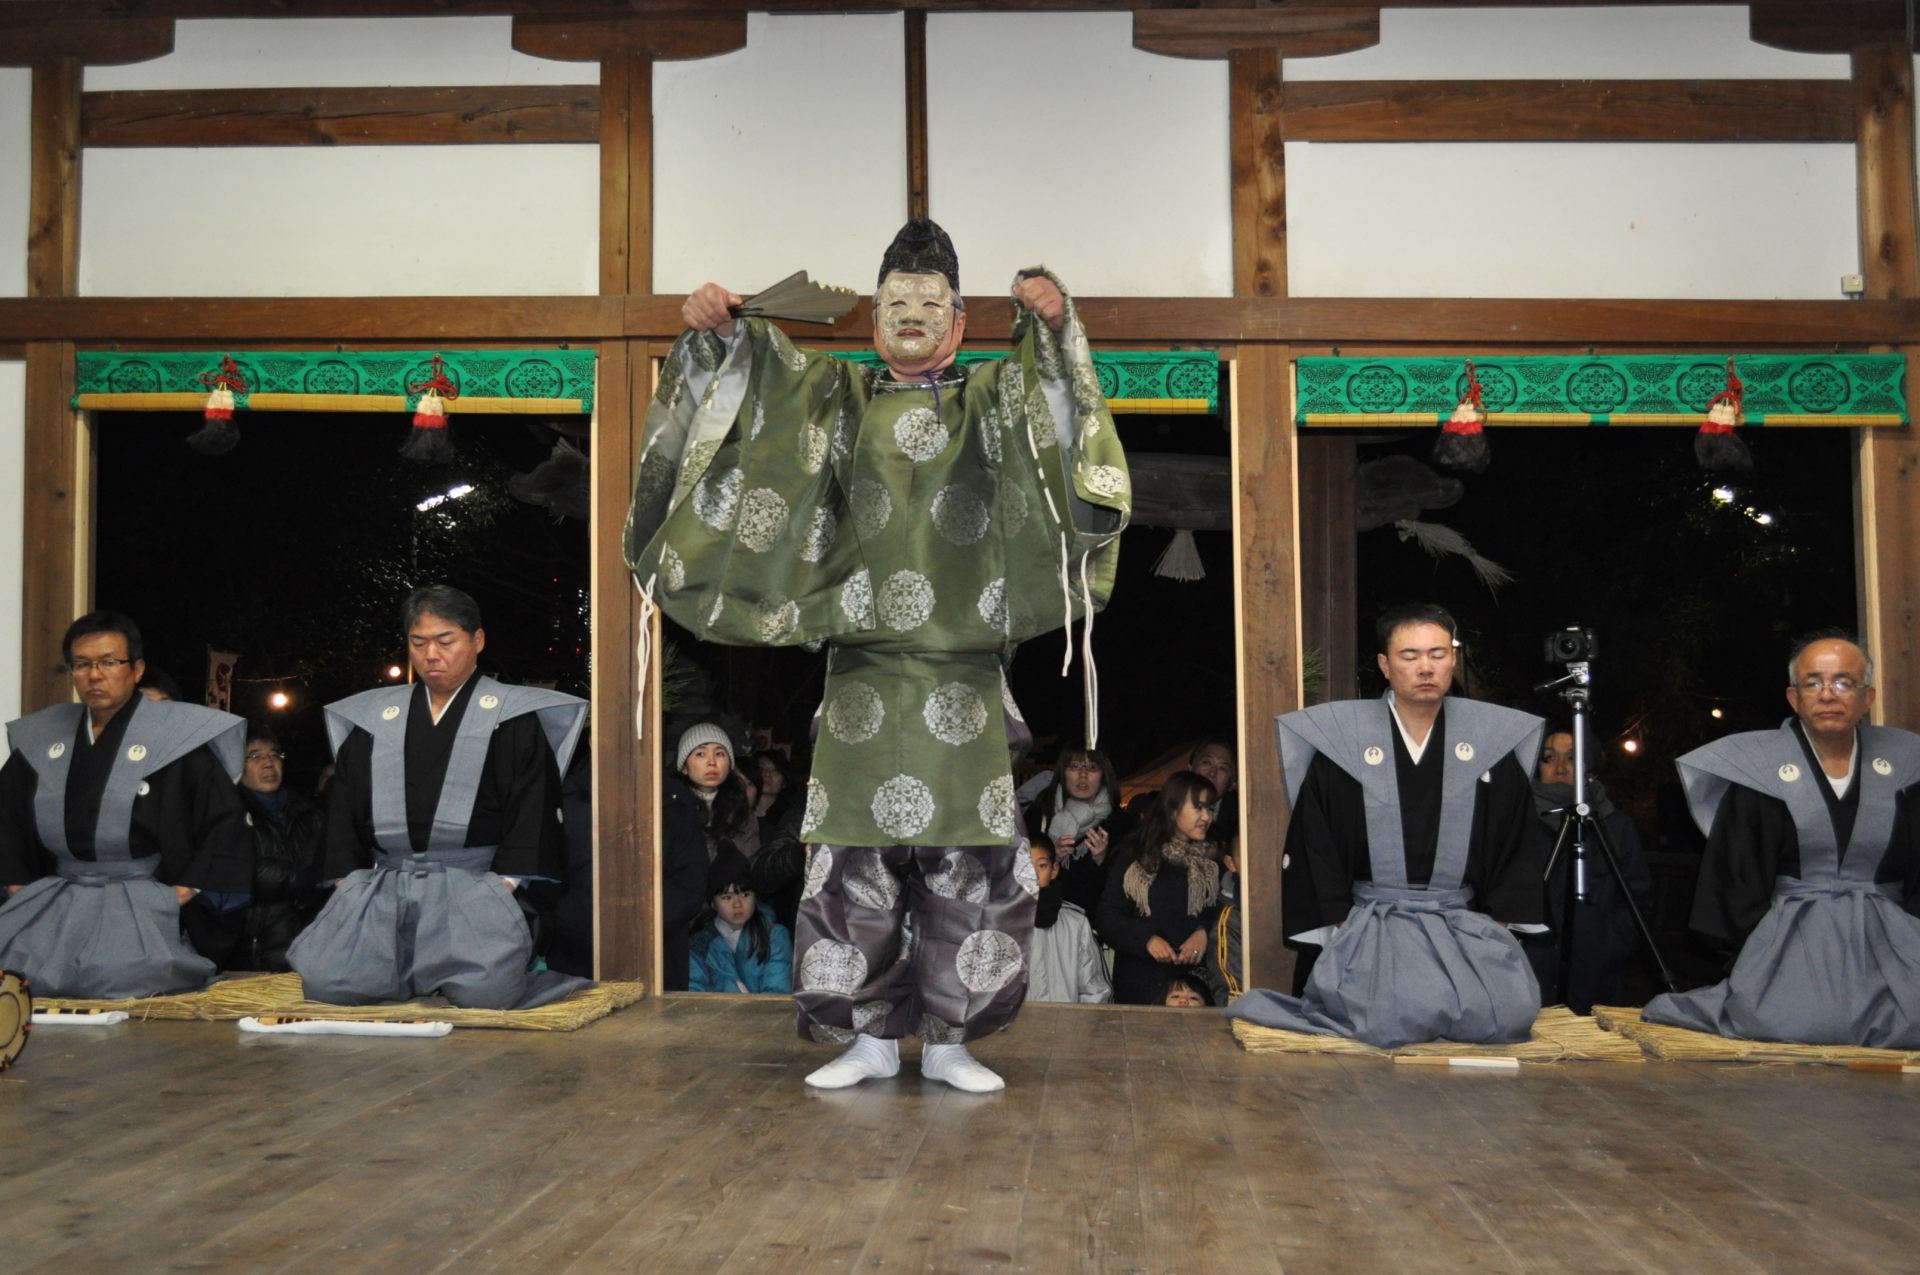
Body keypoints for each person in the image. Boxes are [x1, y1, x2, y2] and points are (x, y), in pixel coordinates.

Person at [626, 218, 1130, 1092]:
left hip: (961, 677)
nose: (910, 314)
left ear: (962, 322)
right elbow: (761, 395)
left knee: (968, 868)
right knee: (851, 864)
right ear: (871, 321)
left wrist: (1050, 334)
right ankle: (863, 1034)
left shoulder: (990, 401)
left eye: (930, 302)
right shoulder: (835, 400)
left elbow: (1058, 426)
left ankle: (948, 1040)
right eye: (894, 300)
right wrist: (719, 334)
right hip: (859, 676)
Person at [1227, 603, 1546, 1048]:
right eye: (1409, 655)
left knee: (1504, 1018)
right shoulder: (1344, 742)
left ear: (1453, 659)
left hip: (1462, 924)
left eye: (1437, 654)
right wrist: (1338, 933)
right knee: (1376, 1017)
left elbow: (1516, 843)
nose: (1425, 667)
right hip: (1370, 925)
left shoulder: (1489, 740)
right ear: (1384, 665)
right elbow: (1315, 843)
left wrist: (1499, 929)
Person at [287, 585, 589, 1010]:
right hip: (386, 883)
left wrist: (506, 885)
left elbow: (532, 804)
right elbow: (344, 806)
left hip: (475, 885)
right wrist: (348, 881)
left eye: (445, 641)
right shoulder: (375, 718)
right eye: (419, 642)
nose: (432, 655)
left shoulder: (512, 715)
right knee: (329, 984)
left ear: (477, 641)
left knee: (484, 994)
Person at [1642, 631, 1920, 1047]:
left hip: (1889, 941)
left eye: (1844, 682)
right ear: (1794, 698)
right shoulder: (1761, 773)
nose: (1828, 694)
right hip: (1788, 942)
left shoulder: (1906, 767)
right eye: (1814, 682)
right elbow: (1736, 882)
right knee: (1789, 1024)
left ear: (1868, 698)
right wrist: (1757, 960)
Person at [0, 612, 251, 997]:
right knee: (22, 976)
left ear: (136, 669)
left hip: (140, 898)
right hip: (60, 897)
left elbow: (224, 819)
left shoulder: (175, 737)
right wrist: (19, 887)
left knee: (136, 979)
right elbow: (6, 817)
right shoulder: (42, 735)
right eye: (82, 664)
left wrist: (181, 892)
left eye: (108, 662)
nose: (94, 675)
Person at [1527, 726, 1654, 1012]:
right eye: (1549, 758)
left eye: (1572, 758)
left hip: (1596, 977)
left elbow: (1637, 898)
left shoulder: (1614, 825)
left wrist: (1608, 947)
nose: (1559, 768)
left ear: (1590, 769)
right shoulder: (1519, 820)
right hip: (1528, 971)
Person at [181, 721, 322, 972]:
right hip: (249, 949)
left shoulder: (307, 812)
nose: (268, 763)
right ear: (236, 764)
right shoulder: (226, 814)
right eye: (254, 756)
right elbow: (242, 870)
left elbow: (322, 864)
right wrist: (298, 878)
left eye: (274, 755)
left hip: (304, 946)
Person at [1099, 772, 1224, 1005]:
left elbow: (1227, 915)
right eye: (1198, 808)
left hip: (1196, 988)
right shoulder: (1135, 855)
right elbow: (1107, 917)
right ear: (1173, 809)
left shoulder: (1216, 859)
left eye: (1210, 809)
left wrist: (1204, 933)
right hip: (1141, 984)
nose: (1206, 816)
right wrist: (1146, 940)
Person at [1023, 744, 1123, 917]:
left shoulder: (1120, 822)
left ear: (1103, 774)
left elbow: (1124, 891)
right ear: (1063, 771)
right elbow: (1016, 876)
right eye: (1074, 766)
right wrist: (1048, 859)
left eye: (1092, 767)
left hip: (1094, 926)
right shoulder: (1039, 814)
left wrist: (1101, 861)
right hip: (1044, 920)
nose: (1083, 775)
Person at [689, 846, 793, 994]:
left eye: (745, 895)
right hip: (716, 1016)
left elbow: (777, 993)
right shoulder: (699, 943)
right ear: (712, 903)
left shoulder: (774, 936)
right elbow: (694, 993)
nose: (737, 904)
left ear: (755, 897)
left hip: (764, 1016)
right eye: (727, 897)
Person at [1024, 838, 1112, 1004]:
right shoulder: (999, 920)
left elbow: (1095, 990)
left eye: (1041, 865)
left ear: (1054, 870)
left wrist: (1080, 1029)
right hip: (1018, 1029)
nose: (1033, 874)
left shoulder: (1076, 923)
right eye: (1026, 866)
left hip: (1068, 1027)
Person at [676, 723, 762, 865]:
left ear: (729, 766)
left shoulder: (742, 812)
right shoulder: (671, 807)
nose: (711, 762)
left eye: (719, 754)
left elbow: (752, 866)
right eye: (701, 754)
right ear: (685, 767)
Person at [1188, 737, 1239, 849]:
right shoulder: (1167, 804)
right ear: (1191, 767)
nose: (1212, 773)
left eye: (1222, 768)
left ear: (1232, 783)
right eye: (1206, 762)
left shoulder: (1241, 819)